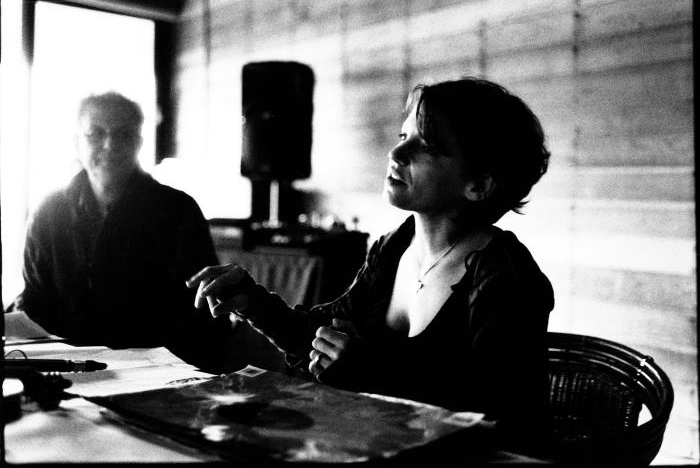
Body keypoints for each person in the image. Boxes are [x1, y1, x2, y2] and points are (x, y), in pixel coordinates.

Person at [187, 77, 555, 449]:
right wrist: (253, 301)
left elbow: (499, 416)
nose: (396, 155)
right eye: (402, 136)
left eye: (425, 146)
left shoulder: (506, 276)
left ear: (479, 185)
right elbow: (321, 335)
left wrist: (371, 374)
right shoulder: (394, 247)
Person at [10, 91, 235, 373]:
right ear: (76, 142)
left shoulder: (178, 210)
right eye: (95, 134)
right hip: (67, 370)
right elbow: (35, 301)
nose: (109, 145)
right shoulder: (48, 211)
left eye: (123, 135)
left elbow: (201, 313)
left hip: (156, 375)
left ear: (138, 142)